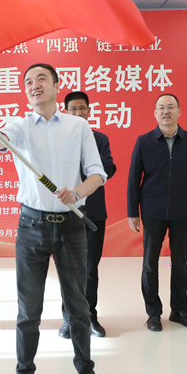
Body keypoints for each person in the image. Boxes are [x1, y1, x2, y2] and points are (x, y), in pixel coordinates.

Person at [0, 63, 115, 374]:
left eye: (41, 79)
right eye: (28, 82)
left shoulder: (78, 126)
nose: (34, 85)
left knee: (78, 307)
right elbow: (2, 142)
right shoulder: (19, 125)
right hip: (31, 227)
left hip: (71, 228)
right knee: (28, 312)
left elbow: (98, 173)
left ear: (56, 85)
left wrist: (77, 192)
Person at [127, 93, 187, 332]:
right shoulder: (144, 141)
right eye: (161, 107)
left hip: (183, 211)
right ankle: (153, 313)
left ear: (179, 111)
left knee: (180, 263)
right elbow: (133, 179)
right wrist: (133, 212)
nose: (166, 111)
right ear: (155, 113)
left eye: (171, 107)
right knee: (150, 263)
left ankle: (179, 310)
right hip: (153, 211)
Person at [58, 91, 117, 340]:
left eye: (82, 108)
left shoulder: (99, 139)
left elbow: (109, 169)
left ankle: (90, 316)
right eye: (73, 109)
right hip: (65, 213)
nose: (78, 113)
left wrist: (88, 150)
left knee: (90, 268)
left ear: (89, 112)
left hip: (93, 213)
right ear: (65, 112)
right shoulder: (58, 140)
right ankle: (68, 319)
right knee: (67, 269)